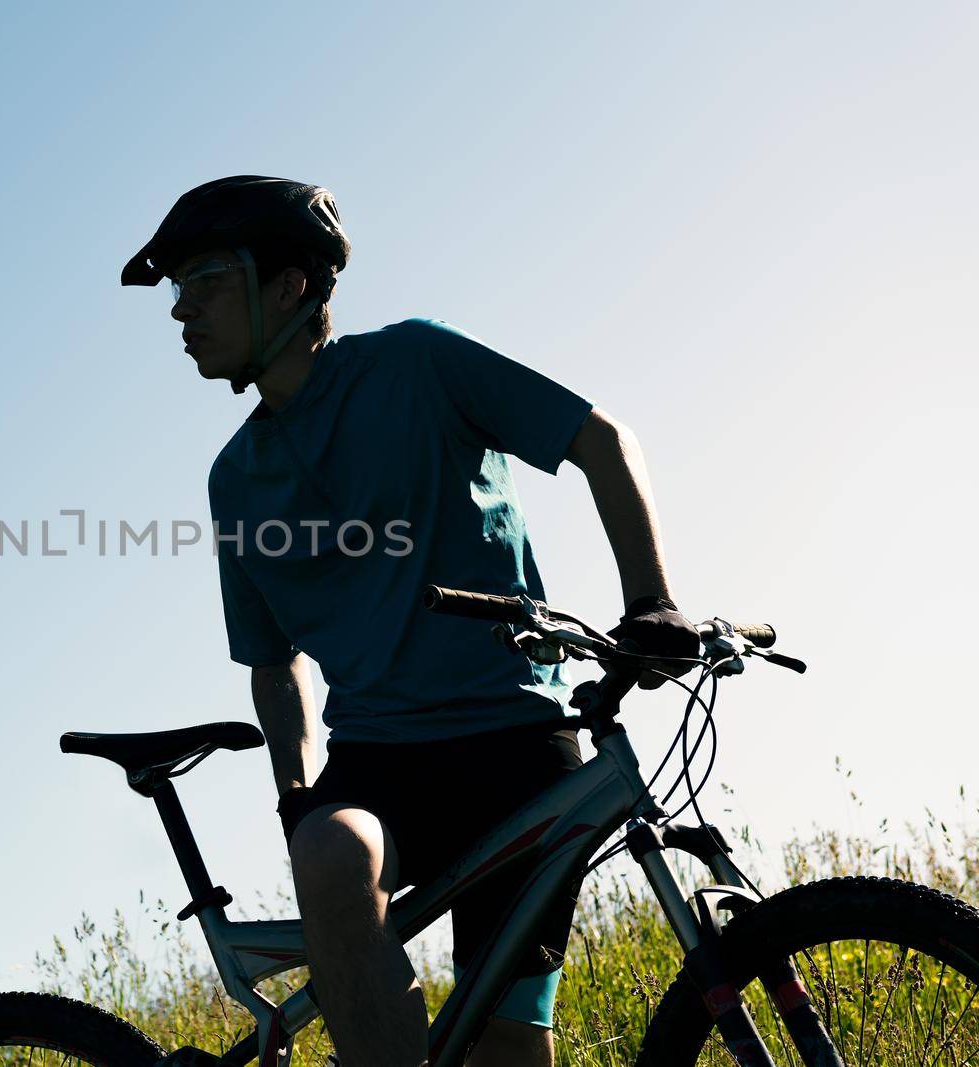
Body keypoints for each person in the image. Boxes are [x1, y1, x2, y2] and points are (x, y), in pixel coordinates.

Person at [121, 176, 700, 1067]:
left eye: (203, 281)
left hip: (519, 743)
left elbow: (599, 440)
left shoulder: (417, 364)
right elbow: (274, 664)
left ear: (289, 286)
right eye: (176, 290)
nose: (179, 311)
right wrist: (294, 791)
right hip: (380, 763)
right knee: (327, 852)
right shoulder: (237, 476)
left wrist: (651, 601)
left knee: (510, 1046)